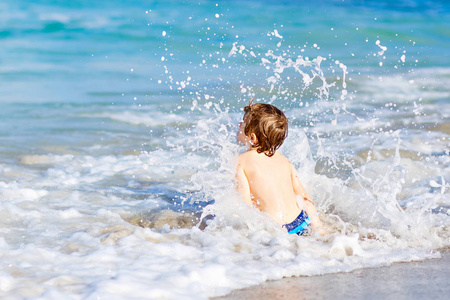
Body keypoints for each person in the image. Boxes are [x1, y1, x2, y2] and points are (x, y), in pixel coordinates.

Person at [235, 99, 324, 235]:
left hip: (275, 229)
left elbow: (244, 206)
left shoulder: (240, 161)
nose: (239, 124)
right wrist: (316, 224)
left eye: (243, 123)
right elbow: (304, 198)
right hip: (300, 222)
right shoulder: (284, 161)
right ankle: (320, 230)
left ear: (252, 137)